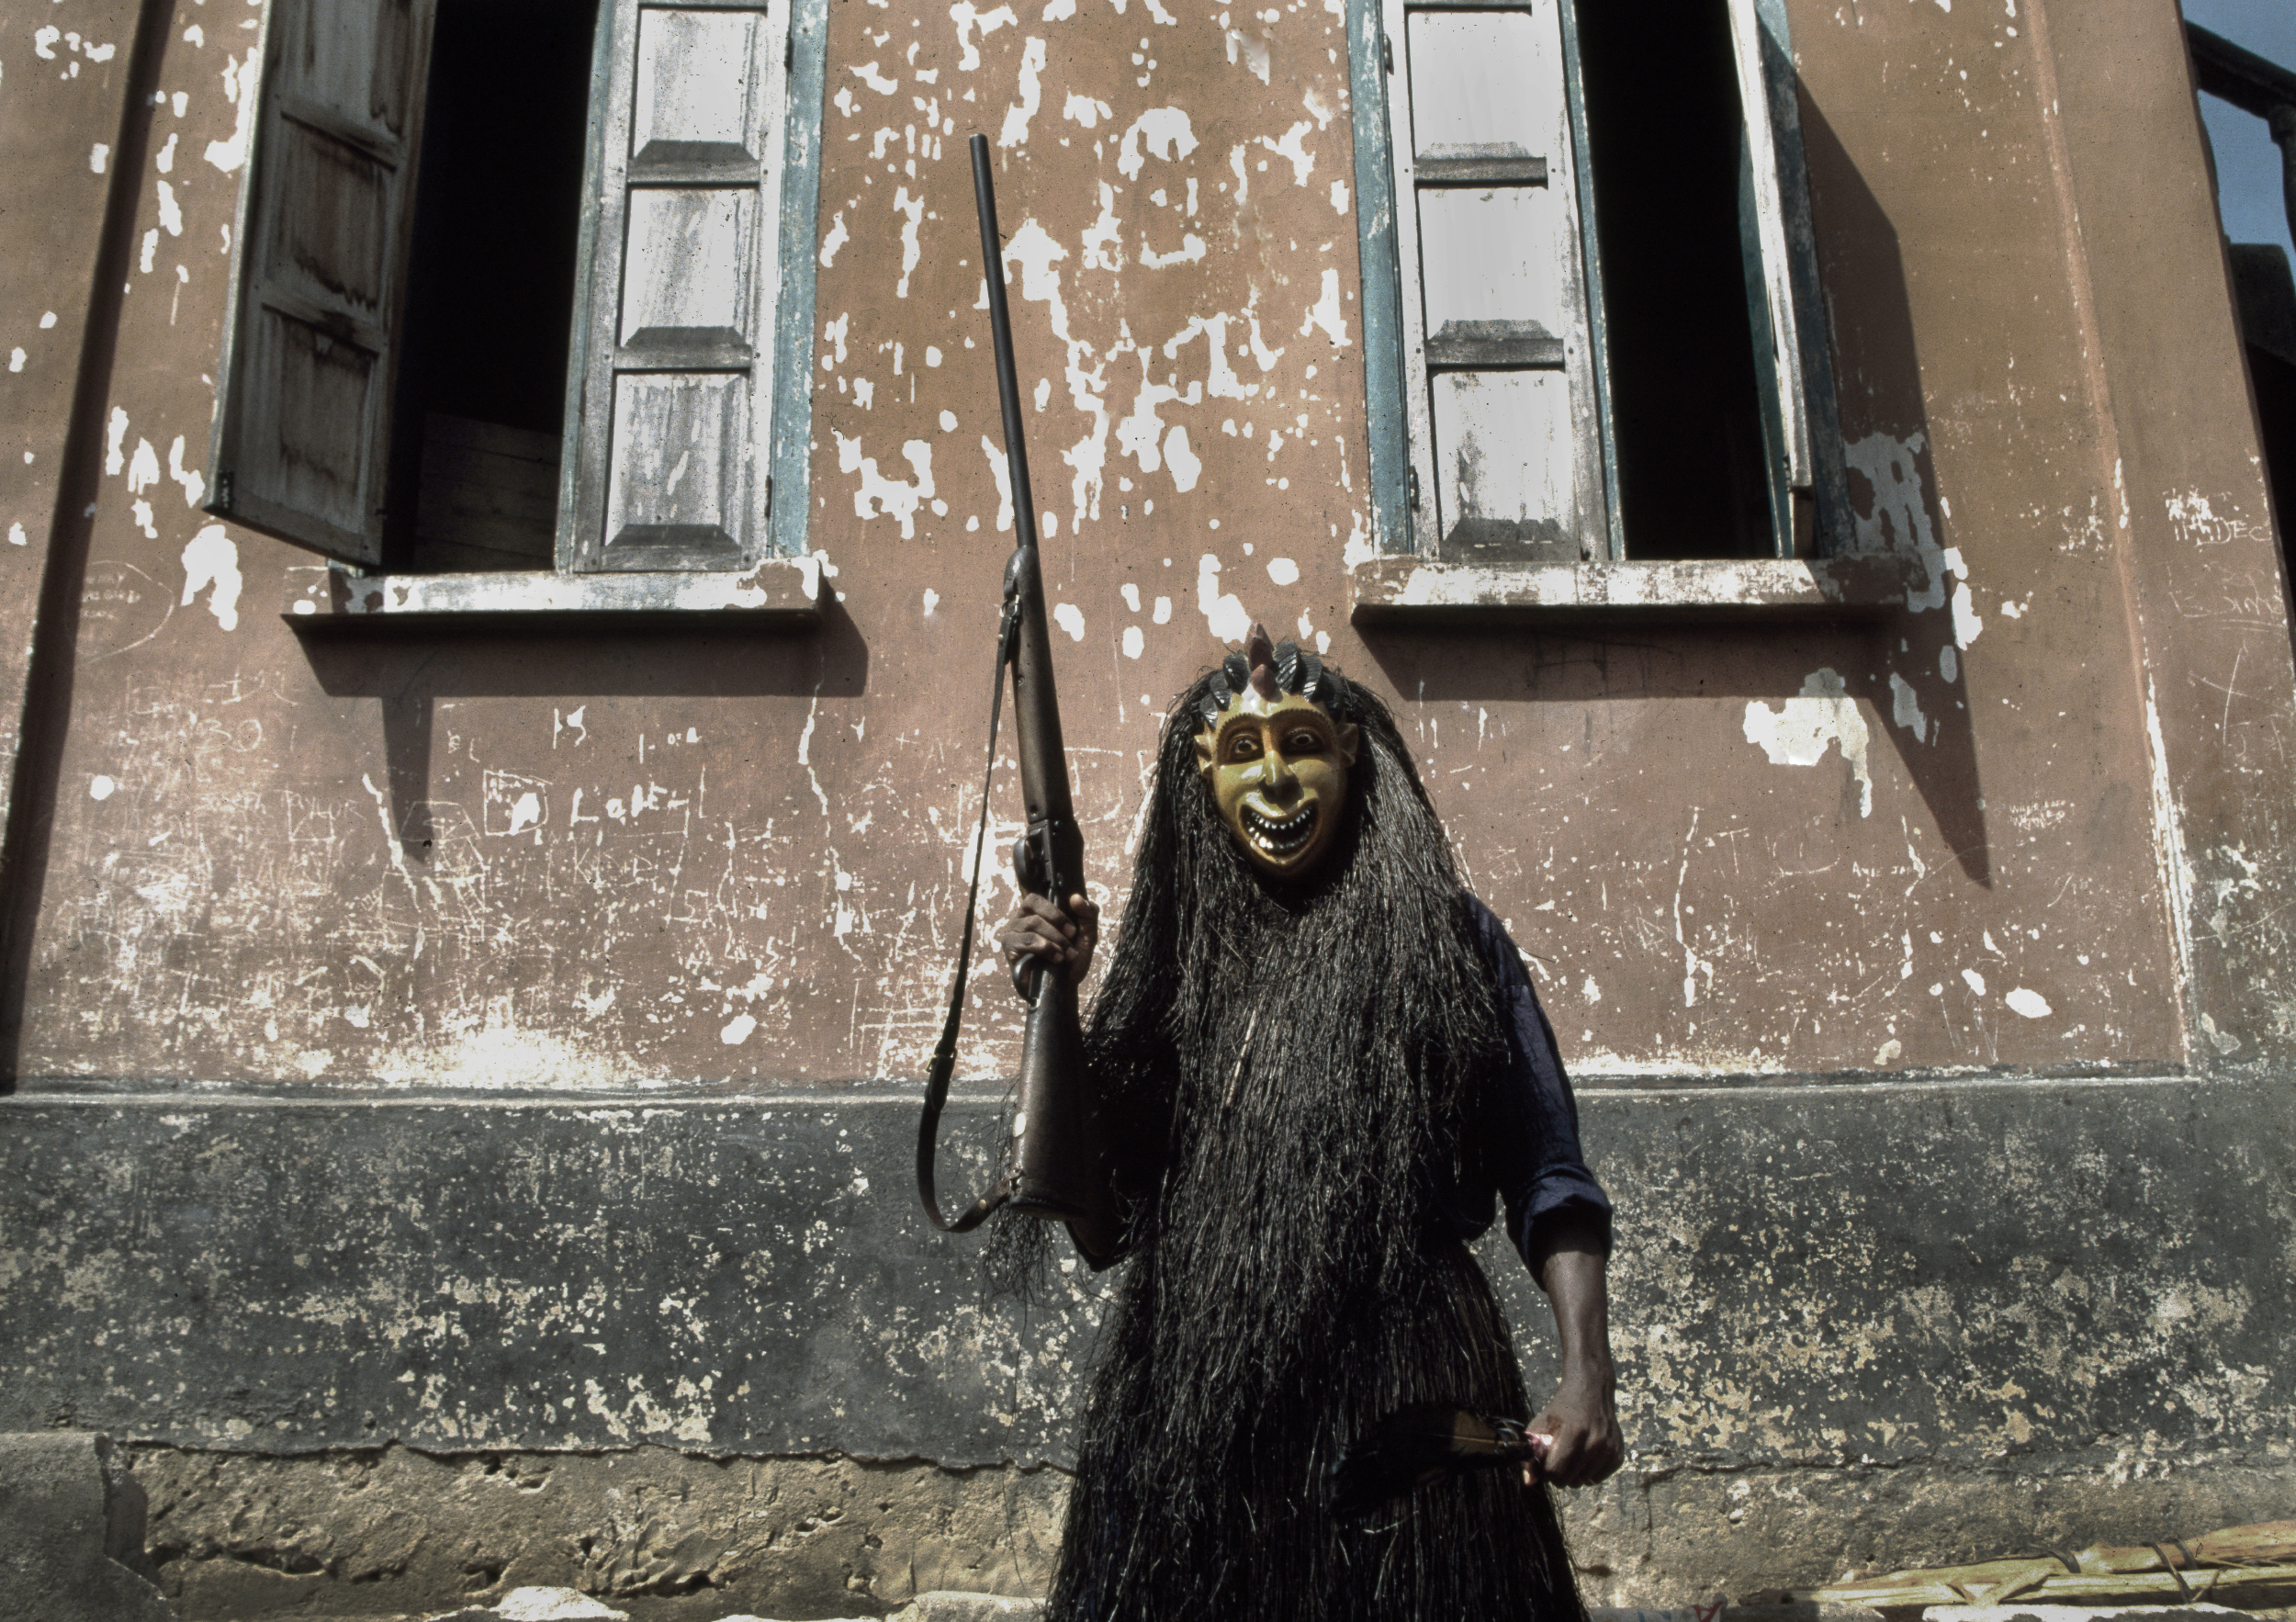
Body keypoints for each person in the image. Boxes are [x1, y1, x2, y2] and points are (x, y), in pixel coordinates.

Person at [994, 625, 1621, 1622]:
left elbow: (1548, 1168)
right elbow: (1101, 1228)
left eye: (1301, 742)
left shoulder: (1454, 942)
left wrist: (1589, 1373)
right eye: (1242, 753)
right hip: (1193, 1411)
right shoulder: (1171, 971)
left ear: (1354, 753)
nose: (1277, 781)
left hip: (1409, 1395)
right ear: (1199, 779)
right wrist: (1055, 1005)